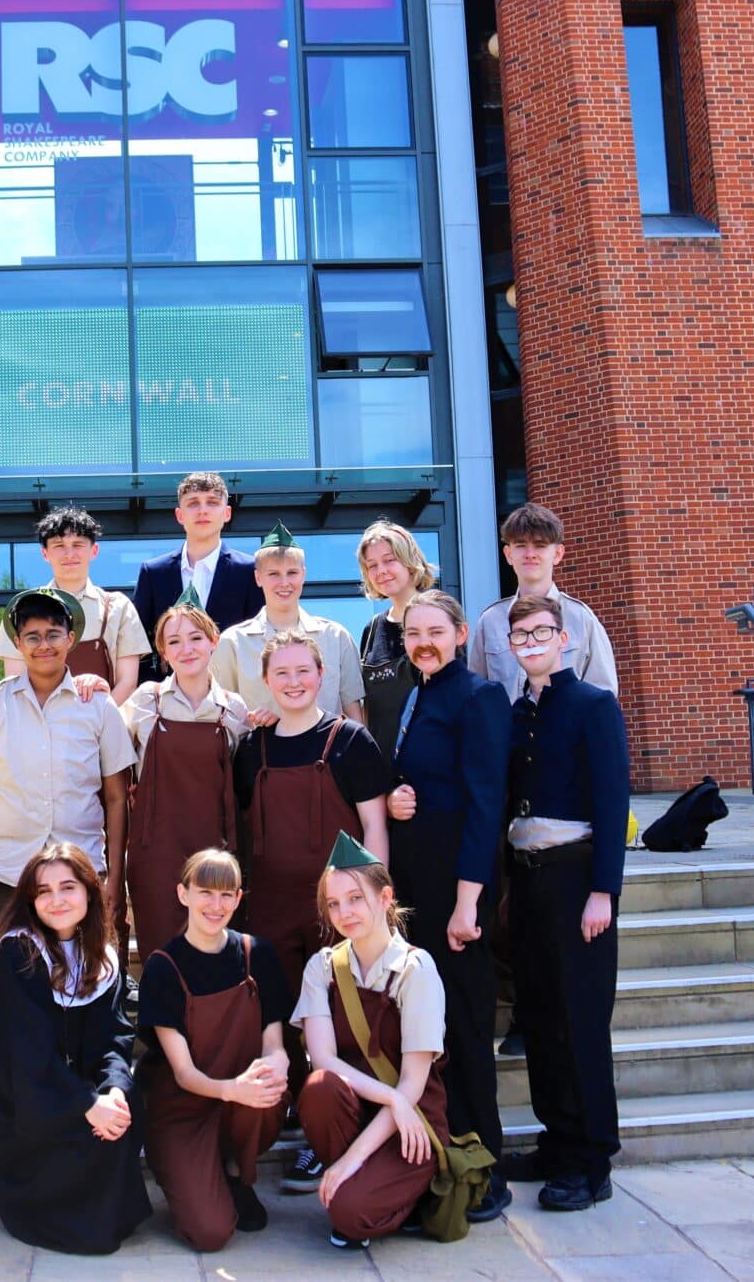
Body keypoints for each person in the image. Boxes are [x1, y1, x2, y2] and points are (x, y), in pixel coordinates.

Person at [232, 628, 391, 1195]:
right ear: (266, 681)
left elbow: (374, 823)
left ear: (321, 677)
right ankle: (292, 1120)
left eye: (304, 672)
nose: (293, 682)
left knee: (343, 1017)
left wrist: (374, 900)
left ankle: (335, 1141)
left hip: (339, 908)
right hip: (271, 904)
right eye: (282, 673)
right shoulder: (252, 747)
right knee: (280, 1013)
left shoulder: (349, 741)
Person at [496, 592, 629, 1211]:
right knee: (542, 1018)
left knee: (580, 1024)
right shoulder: (516, 712)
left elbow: (611, 802)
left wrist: (604, 891)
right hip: (528, 882)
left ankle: (592, 1158)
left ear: (565, 639)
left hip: (579, 882)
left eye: (541, 634)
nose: (531, 645)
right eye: (520, 638)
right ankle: (557, 1142)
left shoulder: (593, 706)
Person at [384, 590, 512, 1222]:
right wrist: (396, 801)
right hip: (416, 892)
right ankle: (440, 1160)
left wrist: (469, 903)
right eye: (413, 632)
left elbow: (487, 803)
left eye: (435, 630)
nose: (424, 641)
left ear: (460, 634)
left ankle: (487, 1172)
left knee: (463, 1029)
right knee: (429, 1033)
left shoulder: (480, 696)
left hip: (458, 898)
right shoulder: (416, 694)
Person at [0, 843, 153, 1255]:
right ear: (30, 901)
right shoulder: (19, 953)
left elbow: (115, 1037)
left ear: (89, 891)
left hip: (63, 1083)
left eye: (68, 887)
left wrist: (113, 1091)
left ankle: (99, 1209)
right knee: (91, 1129)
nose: (57, 900)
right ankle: (35, 1204)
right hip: (21, 1097)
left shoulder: (100, 954)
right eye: (43, 891)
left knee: (125, 1106)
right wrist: (86, 1103)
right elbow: (26, 1055)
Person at [293, 834, 450, 1250]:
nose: (344, 912)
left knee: (348, 1215)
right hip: (360, 1110)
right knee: (318, 1090)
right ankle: (357, 1182)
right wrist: (389, 1098)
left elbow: (413, 1086)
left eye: (355, 898)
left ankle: (392, 1189)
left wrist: (354, 1155)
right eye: (333, 903)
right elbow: (323, 1058)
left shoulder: (415, 969)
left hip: (410, 1124)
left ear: (385, 898)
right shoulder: (322, 967)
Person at [0, 586, 137, 945]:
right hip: (5, 874)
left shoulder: (99, 708)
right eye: (33, 637)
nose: (44, 645)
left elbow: (117, 799)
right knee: (9, 982)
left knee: (83, 981)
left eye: (54, 634)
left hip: (82, 872)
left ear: (70, 639)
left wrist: (116, 877)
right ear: (18, 644)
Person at [137, 849, 292, 1251]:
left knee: (269, 1088)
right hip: (181, 1114)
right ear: (182, 894)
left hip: (238, 1106)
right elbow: (185, 1074)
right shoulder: (162, 968)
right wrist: (232, 1089)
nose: (216, 905)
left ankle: (239, 1176)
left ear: (239, 899)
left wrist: (277, 1064)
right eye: (205, 892)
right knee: (209, 1233)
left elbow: (274, 1043)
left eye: (227, 895)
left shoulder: (257, 954)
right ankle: (197, 1177)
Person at [122, 599, 249, 960]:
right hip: (155, 853)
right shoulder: (145, 701)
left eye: (195, 637)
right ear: (163, 651)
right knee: (160, 953)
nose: (186, 649)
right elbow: (106, 757)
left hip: (216, 850)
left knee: (212, 952)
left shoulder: (235, 709)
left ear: (214, 640)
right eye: (174, 641)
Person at [0, 505, 149, 704]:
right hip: (40, 727)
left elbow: (127, 682)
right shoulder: (21, 609)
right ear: (44, 553)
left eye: (77, 544)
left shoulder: (118, 607)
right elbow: (14, 682)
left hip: (103, 727)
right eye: (58, 546)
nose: (69, 554)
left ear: (94, 550)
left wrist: (100, 721)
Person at [213, 522, 367, 722]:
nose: (284, 583)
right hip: (258, 751)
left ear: (303, 575)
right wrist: (252, 721)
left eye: (292, 573)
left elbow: (354, 711)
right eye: (273, 574)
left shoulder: (336, 637)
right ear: (258, 578)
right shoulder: (232, 642)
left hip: (325, 752)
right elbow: (222, 717)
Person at [468, 504, 618, 698]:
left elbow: (603, 693)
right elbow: (475, 694)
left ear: (557, 554)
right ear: (508, 554)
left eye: (540, 545)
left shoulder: (581, 618)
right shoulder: (490, 621)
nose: (530, 553)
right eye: (521, 545)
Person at [134, 472, 263, 681]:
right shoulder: (154, 573)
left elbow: (258, 641)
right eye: (193, 503)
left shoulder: (250, 571)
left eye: (212, 502)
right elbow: (141, 645)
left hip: (235, 697)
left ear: (227, 513)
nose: (203, 510)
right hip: (168, 700)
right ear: (179, 515)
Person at [354, 520, 435, 756]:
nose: (381, 571)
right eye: (372, 565)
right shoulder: (372, 630)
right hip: (380, 767)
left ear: (410, 562)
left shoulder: (437, 617)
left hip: (426, 766)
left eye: (390, 560)